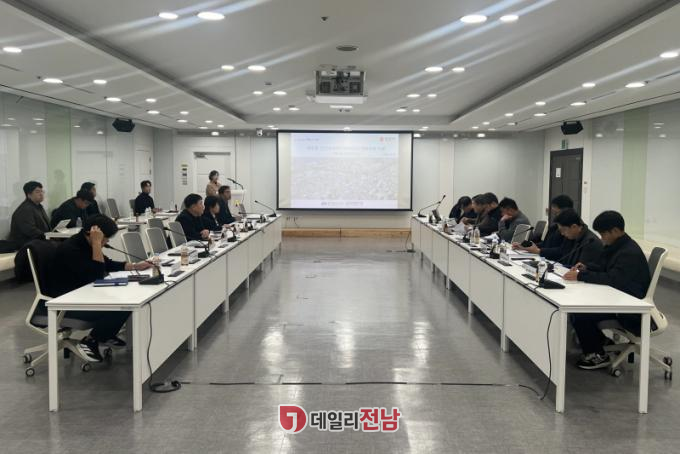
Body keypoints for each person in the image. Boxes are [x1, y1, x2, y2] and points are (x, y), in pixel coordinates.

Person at [48, 215, 152, 362]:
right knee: (122, 306)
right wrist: (97, 244)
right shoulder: (71, 249)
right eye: (105, 238)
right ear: (93, 234)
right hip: (67, 304)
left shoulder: (85, 244)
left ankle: (105, 334)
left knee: (127, 300)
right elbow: (96, 276)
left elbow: (106, 264)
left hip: (83, 295)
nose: (107, 242)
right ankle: (91, 341)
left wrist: (135, 266)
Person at [563, 211, 652, 370]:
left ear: (615, 231)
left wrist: (581, 276)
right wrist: (586, 268)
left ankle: (597, 354)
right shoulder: (617, 246)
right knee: (579, 307)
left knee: (580, 313)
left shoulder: (628, 253)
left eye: (603, 234)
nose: (601, 237)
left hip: (630, 307)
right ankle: (600, 342)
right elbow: (605, 268)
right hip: (617, 297)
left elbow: (612, 279)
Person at [518, 208, 602, 267]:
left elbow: (580, 270)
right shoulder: (572, 236)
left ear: (574, 227)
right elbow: (563, 257)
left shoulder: (590, 242)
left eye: (563, 230)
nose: (562, 234)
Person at [7, 181, 50, 250]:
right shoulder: (25, 209)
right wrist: (48, 236)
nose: (41, 194)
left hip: (38, 241)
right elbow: (31, 231)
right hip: (26, 245)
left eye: (42, 191)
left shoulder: (39, 207)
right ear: (29, 195)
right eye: (37, 192)